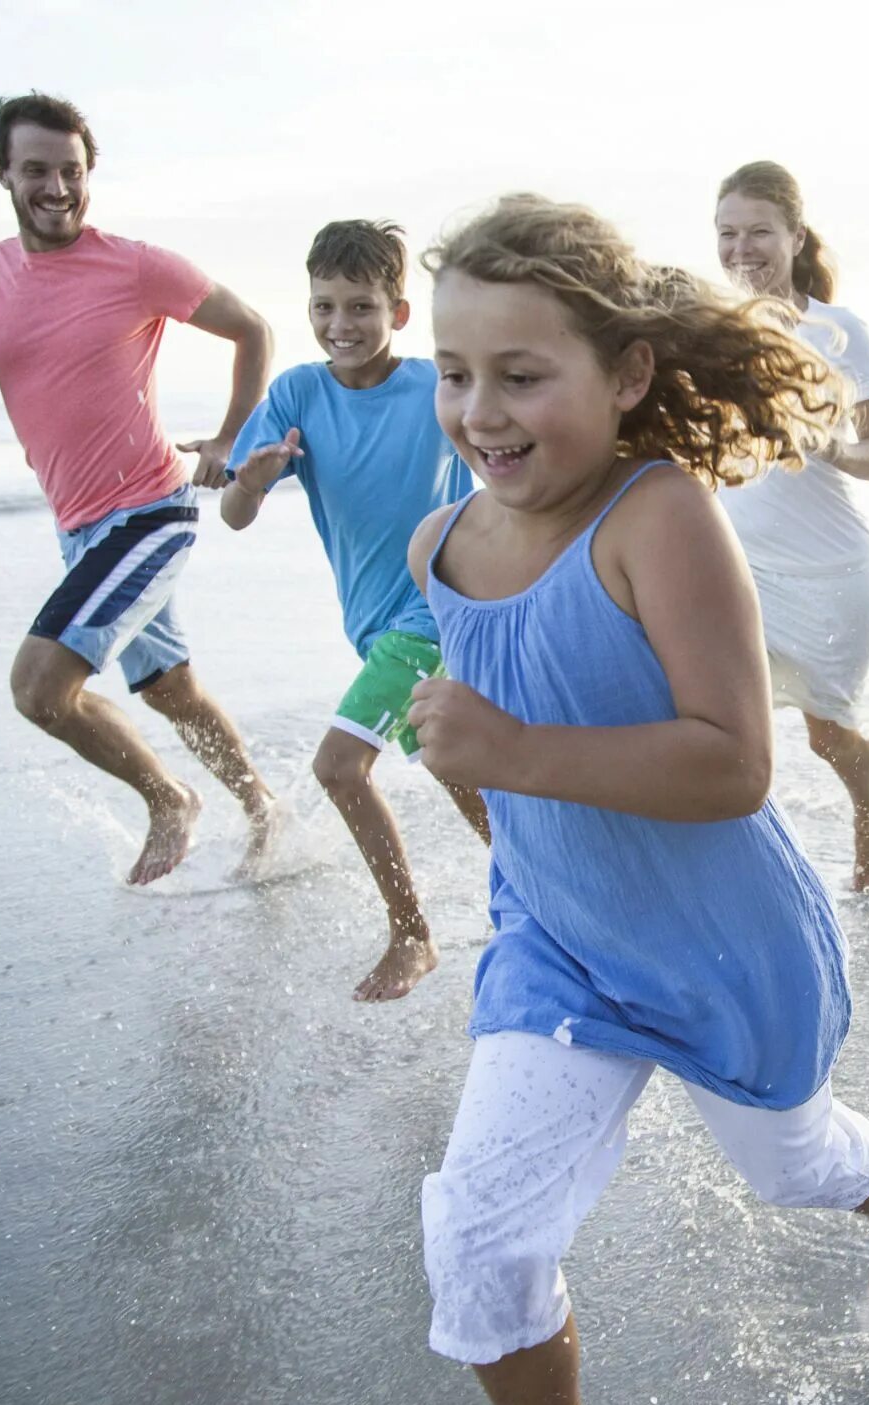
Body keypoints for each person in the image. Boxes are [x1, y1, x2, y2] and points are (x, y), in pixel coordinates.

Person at [403, 195, 869, 1405]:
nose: (480, 410)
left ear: (629, 370)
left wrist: (512, 749)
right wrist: (481, 774)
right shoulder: (439, 547)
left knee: (792, 1167)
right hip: (558, 946)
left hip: (714, 942)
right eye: (453, 372)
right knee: (480, 1246)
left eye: (522, 374)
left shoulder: (658, 516)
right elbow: (494, 763)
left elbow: (732, 762)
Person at [0, 91, 278, 886]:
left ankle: (168, 798)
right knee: (172, 690)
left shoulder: (135, 265)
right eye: (36, 169)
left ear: (88, 174)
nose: (57, 187)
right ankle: (265, 810)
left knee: (40, 689)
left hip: (151, 511)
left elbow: (252, 327)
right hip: (80, 528)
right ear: (4, 174)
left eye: (71, 170)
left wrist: (231, 438)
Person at [221, 219, 490, 1001]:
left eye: (362, 308)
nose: (342, 325)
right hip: (373, 625)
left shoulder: (436, 384)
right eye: (325, 306)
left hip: (441, 606)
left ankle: (412, 934)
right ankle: (553, 895)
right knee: (457, 766)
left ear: (398, 312)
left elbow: (504, 462)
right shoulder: (296, 393)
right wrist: (255, 476)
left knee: (340, 766)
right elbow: (236, 514)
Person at [714, 160, 869, 891]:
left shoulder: (838, 330)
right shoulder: (706, 330)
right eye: (727, 233)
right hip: (735, 567)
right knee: (717, 721)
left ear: (795, 236)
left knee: (829, 736)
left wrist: (837, 448)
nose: (741, 249)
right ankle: (747, 876)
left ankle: (868, 814)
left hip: (831, 571)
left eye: (759, 231)